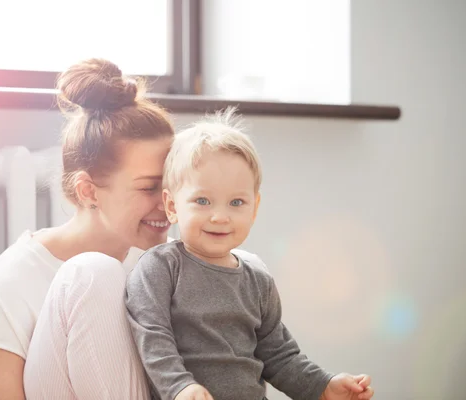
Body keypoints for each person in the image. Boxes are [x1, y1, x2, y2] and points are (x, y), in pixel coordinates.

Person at [125, 109, 375, 400]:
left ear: (254, 208)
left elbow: (279, 354)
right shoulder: (161, 268)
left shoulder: (257, 279)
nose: (220, 216)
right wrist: (180, 387)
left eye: (236, 202)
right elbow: (153, 338)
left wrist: (322, 386)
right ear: (172, 206)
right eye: (202, 200)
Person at [0, 58, 177, 399]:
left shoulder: (167, 261)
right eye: (148, 188)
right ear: (88, 191)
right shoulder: (15, 276)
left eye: (173, 183)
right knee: (93, 273)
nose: (167, 201)